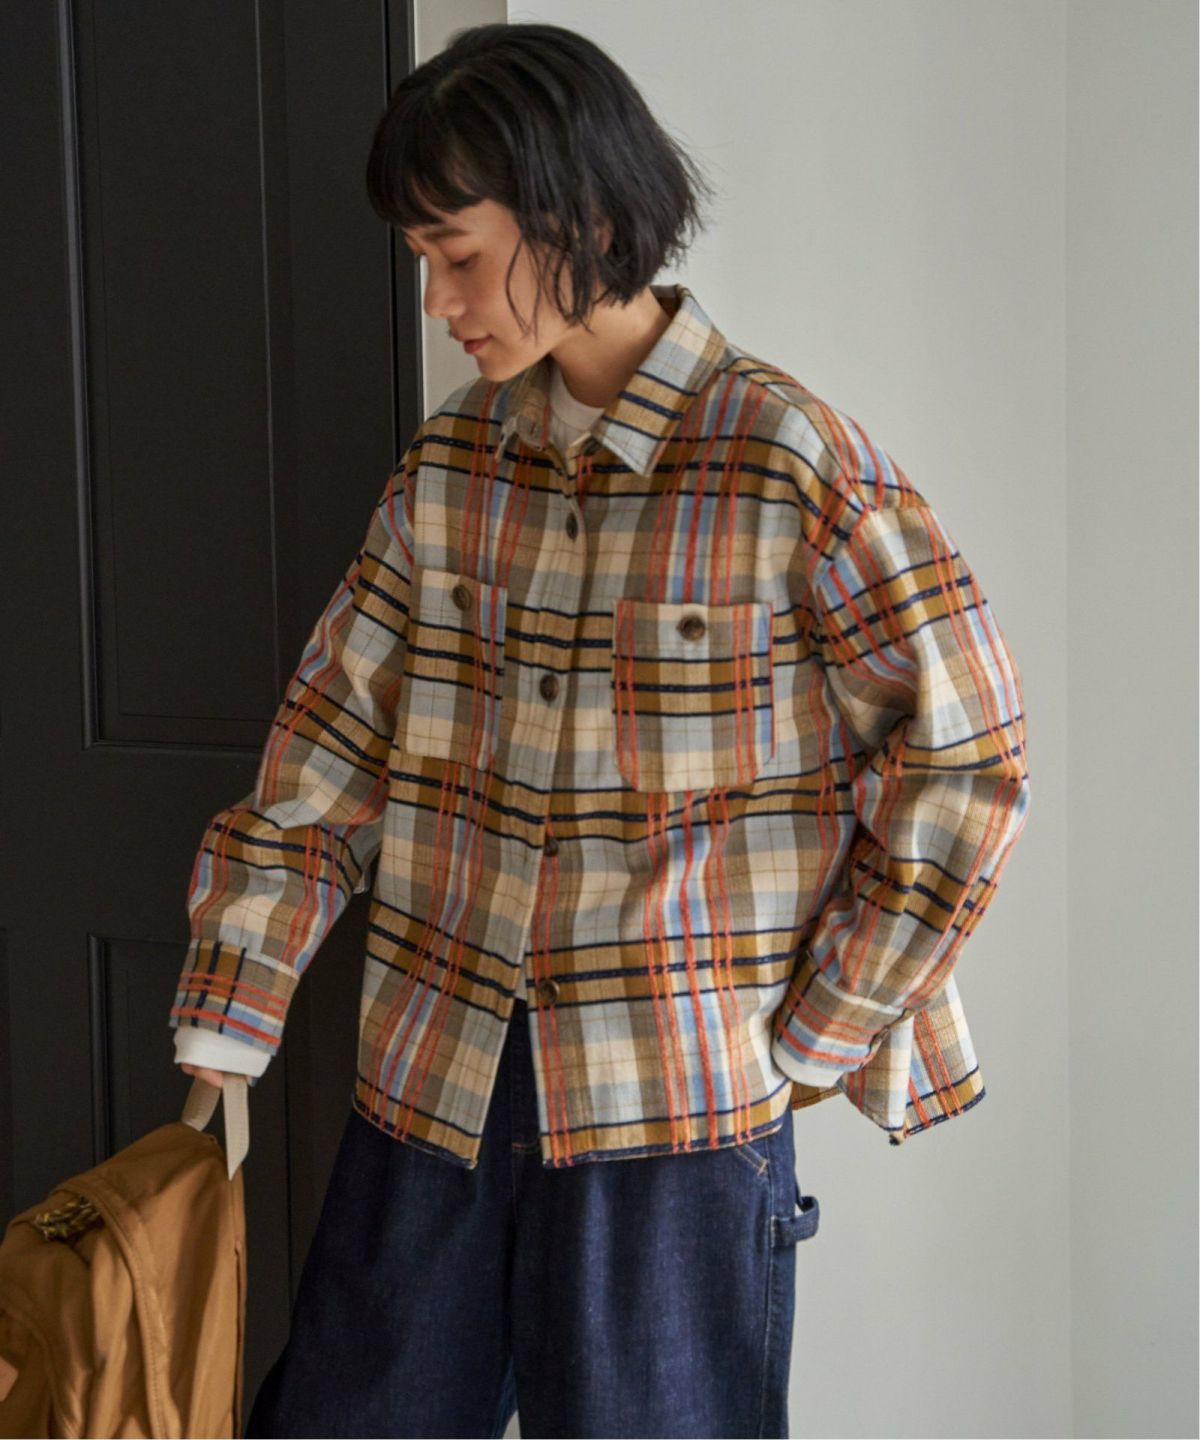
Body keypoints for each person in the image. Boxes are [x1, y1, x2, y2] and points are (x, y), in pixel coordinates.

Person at [171, 20, 1031, 1439]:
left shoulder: (791, 467)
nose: (438, 300)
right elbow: (331, 743)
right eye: (422, 258)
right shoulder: (451, 467)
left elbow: (966, 760)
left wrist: (819, 1033)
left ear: (579, 218)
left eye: (457, 254)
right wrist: (235, 996)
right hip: (430, 1084)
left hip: (675, 1125)